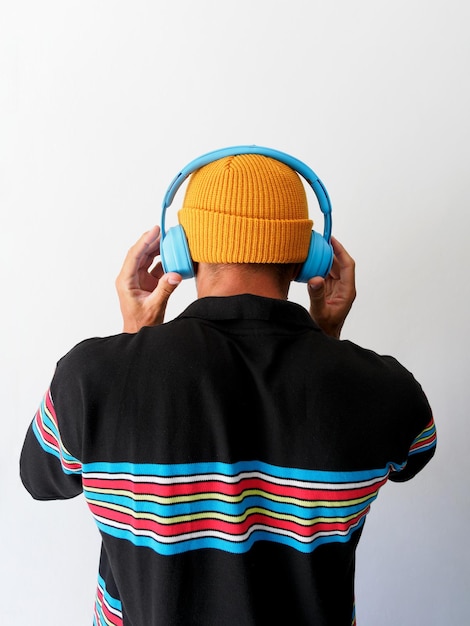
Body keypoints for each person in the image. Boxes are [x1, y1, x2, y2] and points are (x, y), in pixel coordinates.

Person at [20, 151, 436, 626]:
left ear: (181, 247)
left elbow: (40, 480)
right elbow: (413, 460)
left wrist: (131, 345)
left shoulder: (90, 377)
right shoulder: (385, 391)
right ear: (308, 255)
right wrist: (330, 346)